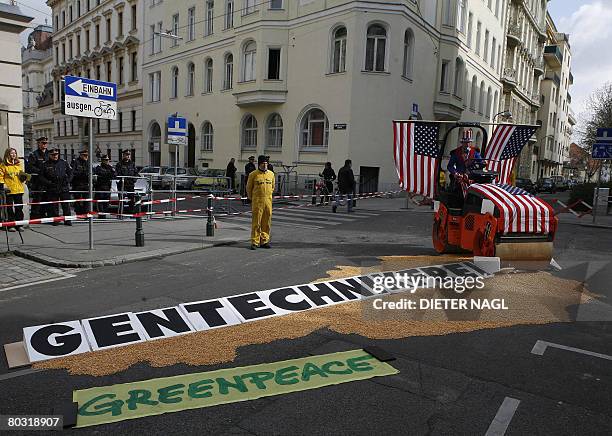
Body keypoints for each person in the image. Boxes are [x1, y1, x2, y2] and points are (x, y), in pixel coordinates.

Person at [246, 155, 275, 250]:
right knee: (256, 222)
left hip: (268, 201)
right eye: (263, 163)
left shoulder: (271, 174)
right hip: (257, 201)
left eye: (266, 163)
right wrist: (251, 198)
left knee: (266, 222)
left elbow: (273, 187)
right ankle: (255, 241)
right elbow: (249, 188)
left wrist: (269, 196)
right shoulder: (253, 174)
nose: (265, 165)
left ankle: (264, 240)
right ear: (259, 164)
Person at [38, 148, 73, 225]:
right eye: (53, 155)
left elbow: (70, 173)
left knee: (66, 204)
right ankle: (55, 220)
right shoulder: (45, 164)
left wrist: (68, 181)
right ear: (49, 155)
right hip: (52, 187)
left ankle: (67, 220)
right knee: (53, 205)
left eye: (56, 154)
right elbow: (41, 177)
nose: (55, 156)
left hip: (63, 186)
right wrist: (48, 183)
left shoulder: (64, 163)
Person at [0, 148, 29, 232]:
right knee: (9, 209)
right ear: (8, 154)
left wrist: (24, 177)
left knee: (19, 208)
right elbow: (1, 177)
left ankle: (19, 225)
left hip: (19, 189)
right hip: (9, 190)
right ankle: (10, 225)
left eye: (15, 153)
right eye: (12, 153)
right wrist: (3, 185)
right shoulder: (3, 165)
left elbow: (21, 175)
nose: (13, 155)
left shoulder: (18, 164)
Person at [447, 129, 482, 195]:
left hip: (472, 177)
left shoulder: (475, 152)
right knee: (456, 193)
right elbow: (450, 166)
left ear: (471, 142)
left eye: (469, 142)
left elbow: (480, 162)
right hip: (459, 177)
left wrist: (479, 164)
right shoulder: (456, 152)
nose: (467, 144)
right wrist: (455, 173)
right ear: (462, 143)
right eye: (465, 142)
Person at [26, 136, 49, 219]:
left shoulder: (49, 154)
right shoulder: (34, 154)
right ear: (39, 144)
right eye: (43, 143)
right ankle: (35, 215)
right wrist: (41, 171)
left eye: (46, 143)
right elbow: (30, 167)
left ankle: (43, 214)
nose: (45, 144)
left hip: (47, 180)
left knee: (46, 198)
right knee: (37, 198)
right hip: (38, 181)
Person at [71, 149, 90, 214]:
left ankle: (86, 213)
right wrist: (81, 173)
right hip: (77, 183)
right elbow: (73, 172)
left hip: (85, 183)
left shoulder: (88, 162)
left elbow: (91, 171)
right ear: (81, 155)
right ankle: (78, 212)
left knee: (86, 199)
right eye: (84, 155)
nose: (86, 157)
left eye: (87, 155)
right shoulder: (75, 162)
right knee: (78, 199)